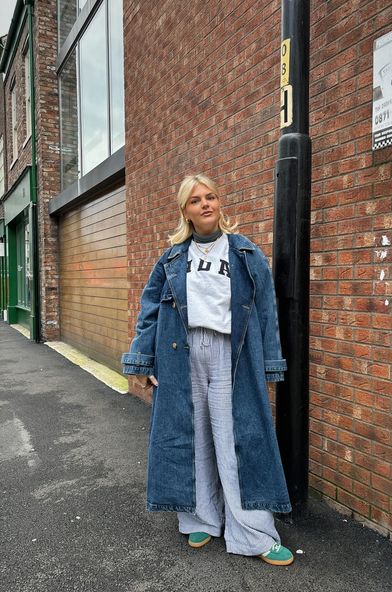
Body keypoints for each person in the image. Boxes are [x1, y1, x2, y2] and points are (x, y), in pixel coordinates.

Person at [121, 174, 293, 566]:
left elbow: (266, 312)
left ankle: (253, 532)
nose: (205, 204)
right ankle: (200, 517)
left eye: (211, 197)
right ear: (186, 210)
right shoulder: (171, 259)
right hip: (181, 352)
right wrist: (141, 361)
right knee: (190, 435)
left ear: (219, 203)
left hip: (230, 353)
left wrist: (269, 364)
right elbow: (149, 314)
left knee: (237, 440)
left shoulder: (246, 254)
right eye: (196, 200)